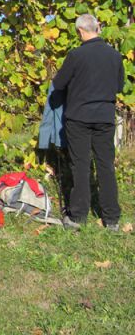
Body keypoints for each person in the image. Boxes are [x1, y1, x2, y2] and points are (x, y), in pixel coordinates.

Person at [52, 14, 125, 231]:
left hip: (79, 117)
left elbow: (58, 84)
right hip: (104, 116)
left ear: (80, 31)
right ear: (97, 28)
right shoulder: (114, 55)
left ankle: (78, 215)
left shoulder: (76, 55)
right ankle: (111, 217)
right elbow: (119, 86)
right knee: (105, 166)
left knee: (81, 166)